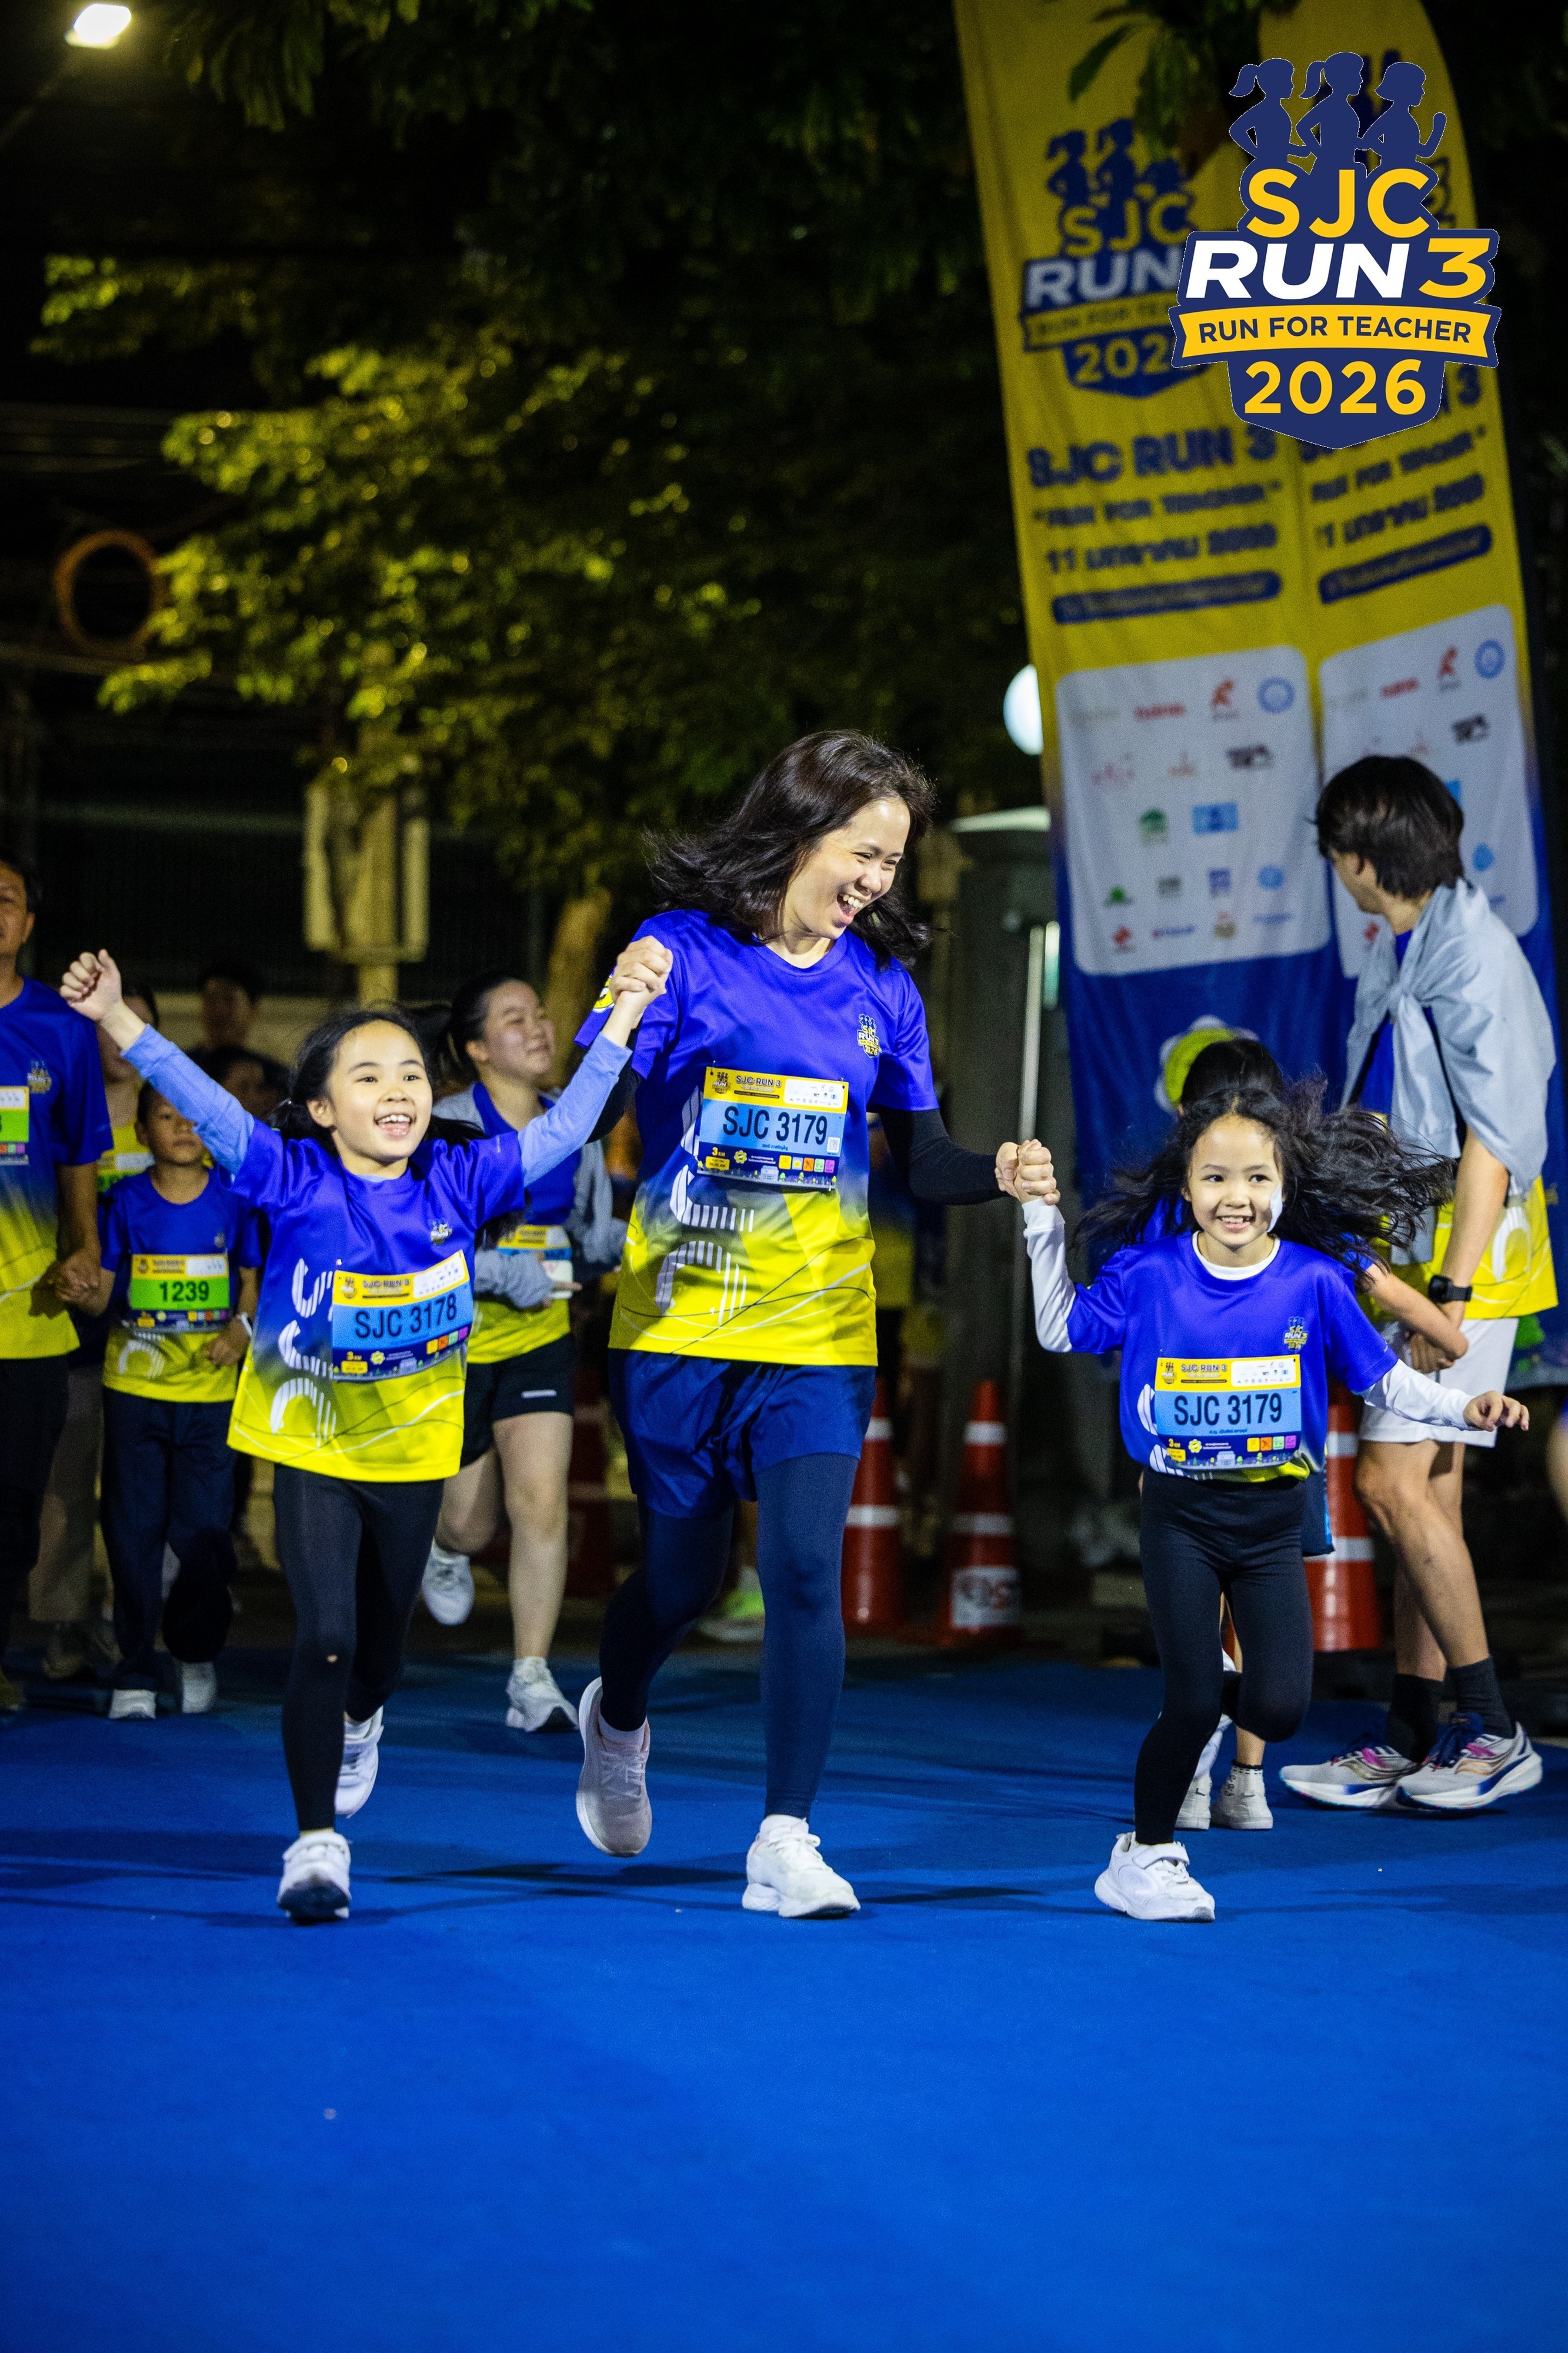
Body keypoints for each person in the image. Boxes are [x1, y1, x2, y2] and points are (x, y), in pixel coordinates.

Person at [59, 938, 668, 1923]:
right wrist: (121, 1019)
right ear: (321, 1108)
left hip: (415, 1453)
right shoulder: (288, 1174)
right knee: (329, 1639)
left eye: (412, 1075)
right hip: (311, 1444)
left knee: (379, 1661)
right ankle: (315, 1847)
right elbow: (205, 1104)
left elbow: (568, 1126)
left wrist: (624, 1015)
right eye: (369, 1076)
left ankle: (362, 1719)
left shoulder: (461, 1180)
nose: (398, 1091)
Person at [571, 730, 1015, 1921]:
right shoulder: (679, 949)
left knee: (805, 1568)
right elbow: (591, 1108)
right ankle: (618, 1714)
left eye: (892, 862)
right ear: (797, 828)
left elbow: (923, 1157)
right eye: (862, 851)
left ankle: (785, 1834)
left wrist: (997, 1171)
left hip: (819, 1334)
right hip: (679, 1326)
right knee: (679, 1579)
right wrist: (615, 1012)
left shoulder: (883, 988)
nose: (876, 879)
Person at [1013, 1081, 1527, 1922]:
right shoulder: (1147, 1271)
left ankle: (1206, 1681)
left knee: (1279, 1711)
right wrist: (1040, 1222)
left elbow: (1385, 1381)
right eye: (1214, 1178)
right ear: (1185, 1188)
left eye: (1256, 1178)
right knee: (1189, 1704)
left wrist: (1464, 1407)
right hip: (1178, 1517)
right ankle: (1144, 1857)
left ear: (1284, 1187)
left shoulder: (1314, 1281)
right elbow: (1059, 1328)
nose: (1236, 1197)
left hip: (1270, 1527)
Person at [1283, 757, 1553, 1812]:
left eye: (1335, 852)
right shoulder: (1412, 940)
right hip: (1422, 1238)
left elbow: (1495, 1138)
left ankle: (1493, 1729)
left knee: (1390, 1485)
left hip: (1466, 1249)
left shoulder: (1469, 955)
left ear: (1360, 858)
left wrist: (1450, 1294)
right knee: (1426, 1490)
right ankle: (1411, 1730)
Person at [1160, 1034, 1472, 1834]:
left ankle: (1198, 1775)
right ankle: (1242, 1782)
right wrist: (1444, 1327)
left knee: (1206, 1625)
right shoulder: (1293, 1214)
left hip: (1203, 1457)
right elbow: (1390, 1292)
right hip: (1270, 1461)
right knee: (1250, 1620)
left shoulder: (1187, 1210)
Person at [422, 971, 626, 1735]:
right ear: (476, 1048)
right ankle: (445, 1548)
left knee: (540, 1503)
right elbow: (415, 1242)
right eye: (515, 1019)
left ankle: (531, 1676)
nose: (539, 1028)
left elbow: (584, 1236)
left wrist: (630, 1243)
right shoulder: (441, 1126)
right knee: (470, 1525)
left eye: (540, 1013)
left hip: (541, 1341)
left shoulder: (574, 1121)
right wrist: (498, 1271)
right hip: (454, 1345)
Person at [82, 1083, 261, 1718]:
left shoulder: (236, 1197)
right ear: (141, 1133)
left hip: (211, 1398)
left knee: (206, 1535)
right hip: (134, 1394)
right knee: (133, 1534)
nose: (183, 1127)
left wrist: (241, 1329)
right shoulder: (121, 1202)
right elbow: (100, 1292)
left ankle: (194, 1652)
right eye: (166, 1115)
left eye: (193, 1118)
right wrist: (77, 1286)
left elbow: (250, 1279)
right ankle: (134, 1668)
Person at [0, 851, 111, 1712]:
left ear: (29, 922)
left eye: (5, 900)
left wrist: (86, 1251)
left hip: (29, 1320)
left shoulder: (60, 1029)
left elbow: (78, 1158)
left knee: (14, 1512)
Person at [29, 976, 158, 1683]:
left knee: (144, 1491)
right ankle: (65, 1622)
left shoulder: (174, 1123)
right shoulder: (62, 1118)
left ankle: (139, 1624)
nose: (118, 1039)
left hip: (160, 1343)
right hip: (77, 1333)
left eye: (134, 1025)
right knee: (68, 1483)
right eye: (106, 1024)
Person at [193, 958, 287, 1101]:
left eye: (229, 1000)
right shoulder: (182, 1068)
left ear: (254, 1008)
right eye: (211, 999)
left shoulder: (274, 1080)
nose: (219, 1010)